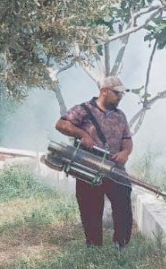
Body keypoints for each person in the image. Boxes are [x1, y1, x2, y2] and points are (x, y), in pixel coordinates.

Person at [55, 76, 134, 248]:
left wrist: (125, 153)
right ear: (104, 91)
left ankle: (121, 244)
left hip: (115, 169)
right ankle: (93, 245)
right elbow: (61, 125)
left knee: (123, 207)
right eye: (116, 93)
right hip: (89, 168)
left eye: (121, 94)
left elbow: (127, 139)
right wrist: (83, 135)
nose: (120, 97)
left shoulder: (120, 116)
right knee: (90, 208)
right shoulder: (83, 110)